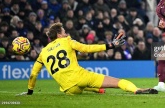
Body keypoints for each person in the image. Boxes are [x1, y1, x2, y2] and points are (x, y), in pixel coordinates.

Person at [18, 22, 157, 95]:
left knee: (73, 87)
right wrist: (110, 45)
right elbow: (87, 48)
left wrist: (30, 91)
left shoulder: (42, 53)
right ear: (59, 35)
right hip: (81, 77)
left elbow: (33, 74)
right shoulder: (67, 41)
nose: (66, 33)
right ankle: (136, 90)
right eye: (64, 32)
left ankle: (98, 90)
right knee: (118, 82)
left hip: (68, 88)